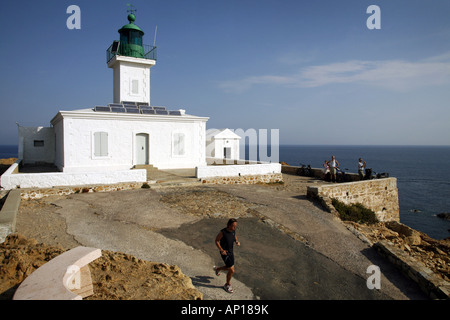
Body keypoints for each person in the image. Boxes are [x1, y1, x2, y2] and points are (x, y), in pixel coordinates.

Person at [213, 218, 240, 293]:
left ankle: (218, 268)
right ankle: (227, 284)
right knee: (232, 270)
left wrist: (236, 241)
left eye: (235, 226)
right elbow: (216, 240)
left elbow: (234, 236)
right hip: (225, 253)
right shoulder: (223, 232)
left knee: (229, 267)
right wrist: (221, 250)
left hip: (231, 252)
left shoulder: (233, 230)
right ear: (228, 225)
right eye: (233, 226)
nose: (235, 228)